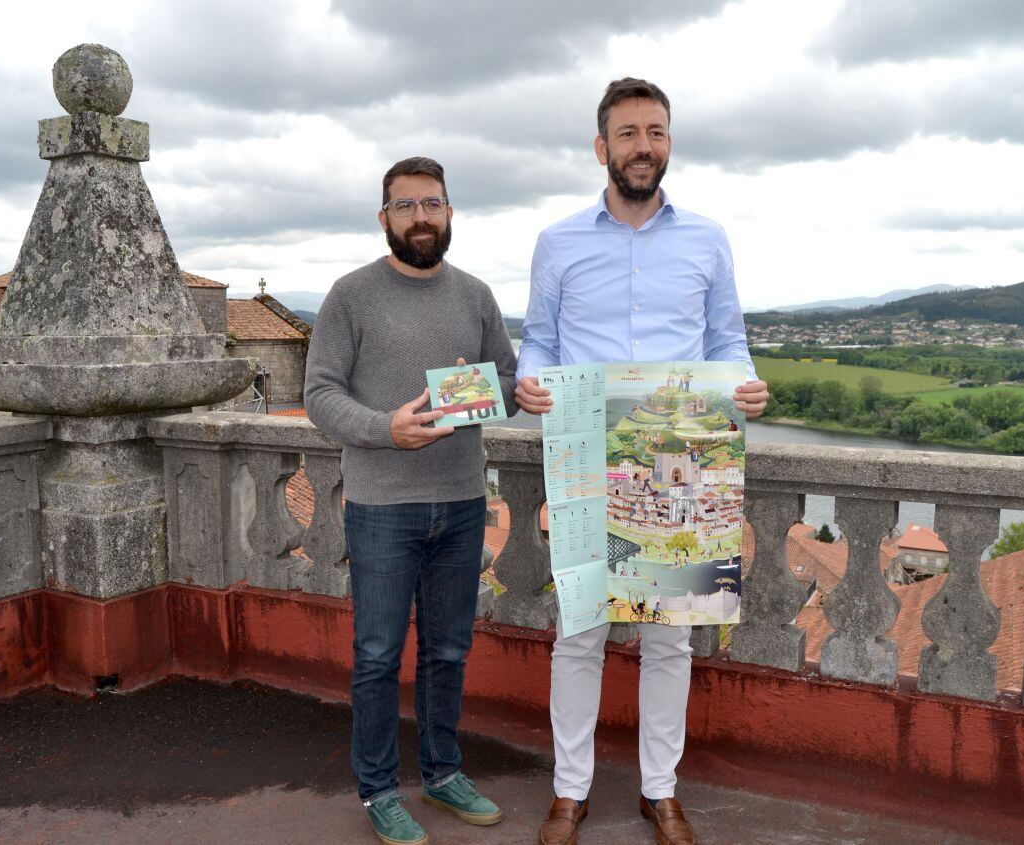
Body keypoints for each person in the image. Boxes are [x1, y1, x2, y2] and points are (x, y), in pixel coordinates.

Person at [515, 78, 769, 845]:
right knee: (582, 630)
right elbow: (540, 337)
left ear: (668, 144)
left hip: (680, 453)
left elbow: (726, 338)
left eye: (655, 132)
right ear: (602, 148)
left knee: (669, 636)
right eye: (627, 133)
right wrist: (529, 378)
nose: (643, 146)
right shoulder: (558, 241)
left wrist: (746, 383)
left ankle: (661, 790)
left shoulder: (708, 238)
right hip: (588, 455)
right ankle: (570, 790)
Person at [305, 156, 516, 845]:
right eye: (406, 205)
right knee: (375, 653)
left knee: (449, 649)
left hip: (461, 503)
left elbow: (511, 383)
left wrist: (480, 385)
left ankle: (442, 771)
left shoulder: (477, 295)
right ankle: (377, 790)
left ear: (451, 212)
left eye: (432, 203)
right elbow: (320, 393)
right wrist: (386, 429)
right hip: (382, 507)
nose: (420, 216)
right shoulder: (349, 295)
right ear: (384, 217)